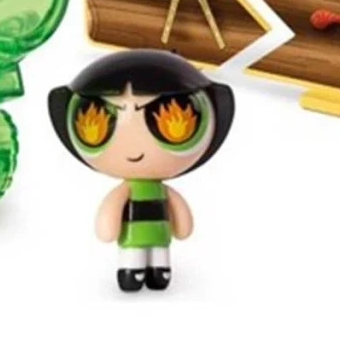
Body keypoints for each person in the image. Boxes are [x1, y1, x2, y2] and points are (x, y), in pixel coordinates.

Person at [48, 50, 235, 292]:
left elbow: (179, 216)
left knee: (159, 252)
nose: (134, 148)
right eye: (98, 127)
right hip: (132, 236)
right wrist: (108, 225)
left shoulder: (162, 192)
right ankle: (131, 270)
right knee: (134, 252)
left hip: (160, 235)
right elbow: (111, 211)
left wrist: (182, 225)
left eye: (170, 129)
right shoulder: (126, 191)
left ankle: (160, 270)